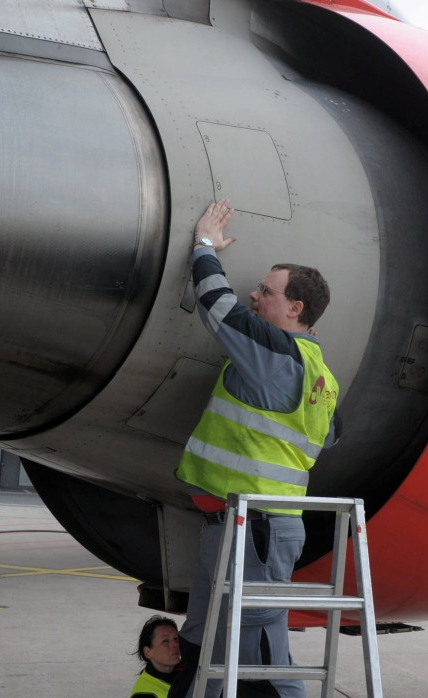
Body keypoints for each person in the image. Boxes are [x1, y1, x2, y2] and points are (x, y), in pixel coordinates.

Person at [169, 199, 340, 698]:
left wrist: (204, 244)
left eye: (267, 291)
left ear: (295, 308)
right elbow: (326, 437)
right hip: (242, 523)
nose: (255, 294)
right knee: (202, 638)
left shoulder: (275, 353)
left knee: (262, 655)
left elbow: (217, 303)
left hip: (256, 527)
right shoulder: (321, 377)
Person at [132, 615, 182, 698]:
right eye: (165, 641)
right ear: (148, 652)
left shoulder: (190, 670)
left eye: (176, 638)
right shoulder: (143, 694)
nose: (175, 645)